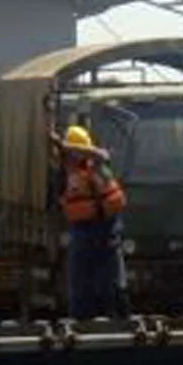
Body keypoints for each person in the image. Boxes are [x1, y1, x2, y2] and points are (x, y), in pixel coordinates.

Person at [51, 124, 129, 320]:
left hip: (105, 228)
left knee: (110, 282)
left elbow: (102, 154)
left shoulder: (97, 164)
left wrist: (69, 147)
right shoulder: (66, 170)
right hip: (82, 230)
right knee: (80, 282)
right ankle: (81, 318)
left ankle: (114, 316)